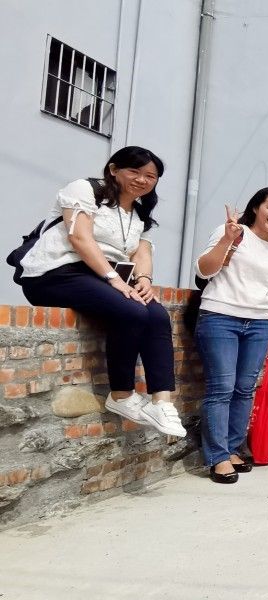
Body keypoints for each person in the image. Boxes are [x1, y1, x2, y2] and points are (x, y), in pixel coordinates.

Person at [19, 146, 185, 438]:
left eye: (150, 176)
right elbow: (79, 238)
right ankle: (121, 395)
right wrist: (114, 279)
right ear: (113, 169)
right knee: (133, 311)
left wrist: (144, 279)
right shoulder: (84, 190)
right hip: (56, 273)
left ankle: (162, 402)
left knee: (157, 315)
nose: (142, 180)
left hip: (99, 279)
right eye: (134, 171)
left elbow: (142, 251)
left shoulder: (139, 213)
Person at [194, 188, 268, 484]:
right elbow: (203, 271)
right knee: (221, 388)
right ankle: (218, 457)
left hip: (259, 324)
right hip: (220, 316)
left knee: (244, 389)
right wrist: (227, 239)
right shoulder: (232, 233)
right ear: (256, 208)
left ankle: (234, 447)